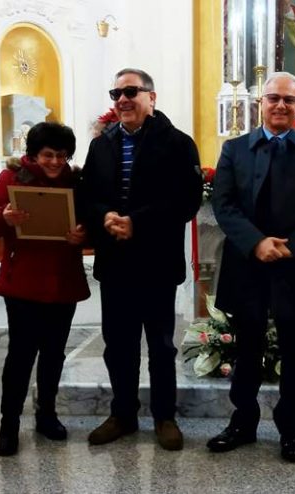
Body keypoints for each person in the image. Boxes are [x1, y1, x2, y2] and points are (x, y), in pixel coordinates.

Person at [207, 71, 295, 462]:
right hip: (247, 262)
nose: (280, 105)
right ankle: (243, 422)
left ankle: (290, 430)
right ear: (261, 103)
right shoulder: (234, 149)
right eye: (273, 98)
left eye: (289, 100)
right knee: (246, 349)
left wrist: (291, 247)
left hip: (293, 264)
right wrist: (256, 242)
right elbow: (223, 204)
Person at [80, 68, 203, 451]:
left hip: (156, 261)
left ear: (151, 96)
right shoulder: (101, 144)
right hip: (115, 262)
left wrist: (138, 222)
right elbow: (88, 195)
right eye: (116, 92)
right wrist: (104, 217)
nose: (122, 99)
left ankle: (165, 416)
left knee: (161, 345)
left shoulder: (178, 143)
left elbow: (186, 200)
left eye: (131, 91)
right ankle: (123, 413)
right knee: (118, 344)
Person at [0, 122, 89, 456]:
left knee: (54, 353)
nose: (55, 162)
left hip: (62, 281)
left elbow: (91, 224)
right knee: (21, 355)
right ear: (33, 155)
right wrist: (4, 217)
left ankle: (47, 415)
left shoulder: (77, 182)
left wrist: (84, 237)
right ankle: (8, 424)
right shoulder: (11, 179)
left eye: (62, 156)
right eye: (48, 155)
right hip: (23, 281)